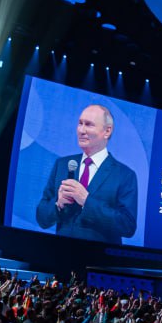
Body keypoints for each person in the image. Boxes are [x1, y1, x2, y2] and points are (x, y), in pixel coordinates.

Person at [35, 104, 139, 245]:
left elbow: (127, 226)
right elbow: (41, 218)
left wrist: (86, 200)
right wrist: (58, 204)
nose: (81, 130)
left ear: (107, 131)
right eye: (80, 123)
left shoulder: (125, 175)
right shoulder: (62, 164)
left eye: (89, 125)